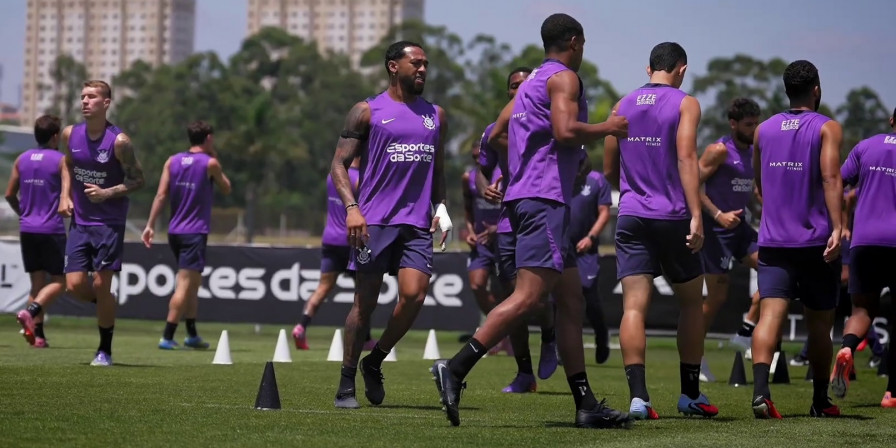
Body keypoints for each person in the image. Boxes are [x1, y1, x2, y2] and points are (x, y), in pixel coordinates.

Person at [432, 13, 631, 429]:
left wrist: (512, 169)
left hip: (531, 198)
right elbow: (563, 131)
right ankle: (454, 368)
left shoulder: (531, 83)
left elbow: (494, 133)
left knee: (571, 303)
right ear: (574, 42)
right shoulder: (563, 79)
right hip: (544, 201)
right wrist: (608, 128)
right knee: (527, 298)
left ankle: (585, 404)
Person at [329, 40, 451, 409]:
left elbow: (439, 168)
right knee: (364, 306)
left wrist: (442, 206)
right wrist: (352, 207)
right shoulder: (367, 111)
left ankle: (375, 360)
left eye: (426, 63)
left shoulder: (437, 115)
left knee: (414, 295)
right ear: (393, 66)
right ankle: (346, 382)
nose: (423, 69)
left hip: (416, 224)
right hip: (374, 222)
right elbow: (338, 165)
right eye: (416, 62)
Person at [603, 42, 718, 419]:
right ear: (681, 70)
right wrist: (696, 214)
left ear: (648, 67)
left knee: (633, 306)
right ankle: (689, 395)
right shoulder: (686, 103)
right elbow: (687, 156)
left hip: (632, 215)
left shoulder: (621, 105)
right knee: (690, 302)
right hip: (672, 216)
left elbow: (609, 167)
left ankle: (639, 398)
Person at [750, 60, 843, 419]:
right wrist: (837, 228)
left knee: (769, 316)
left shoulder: (762, 130)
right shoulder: (827, 128)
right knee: (820, 324)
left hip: (773, 242)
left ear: (786, 91)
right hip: (816, 243)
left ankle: (761, 394)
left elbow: (759, 186)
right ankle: (820, 400)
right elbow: (832, 178)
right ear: (816, 89)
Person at [478, 66, 560, 393]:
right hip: (508, 220)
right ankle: (524, 373)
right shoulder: (494, 131)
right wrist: (487, 186)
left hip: (541, 214)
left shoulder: (550, 125)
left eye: (525, 85)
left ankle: (550, 336)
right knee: (513, 297)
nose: (519, 90)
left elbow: (583, 163)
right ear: (508, 92)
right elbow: (482, 170)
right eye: (513, 86)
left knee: (535, 299)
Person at [57, 80, 145, 366]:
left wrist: (108, 192)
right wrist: (64, 195)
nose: (85, 101)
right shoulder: (71, 134)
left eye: (92, 97)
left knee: (102, 284)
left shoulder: (120, 142)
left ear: (106, 103)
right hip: (80, 221)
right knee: (73, 286)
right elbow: (67, 164)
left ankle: (104, 350)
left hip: (109, 222)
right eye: (82, 96)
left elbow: (138, 180)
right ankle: (105, 303)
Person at [141, 121, 231, 350]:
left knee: (193, 283)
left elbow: (161, 195)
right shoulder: (210, 163)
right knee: (185, 284)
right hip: (194, 233)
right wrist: (216, 158)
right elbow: (227, 188)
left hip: (175, 231)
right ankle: (168, 334)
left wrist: (150, 224)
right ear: (208, 138)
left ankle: (191, 334)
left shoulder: (172, 161)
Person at [831, 107, 896, 409]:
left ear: (892, 121)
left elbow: (836, 185)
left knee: (861, 310)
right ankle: (891, 393)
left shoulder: (866, 146)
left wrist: (838, 225)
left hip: (865, 240)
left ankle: (846, 349)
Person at [696, 98, 762, 381]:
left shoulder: (754, 152)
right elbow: (691, 186)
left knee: (778, 271)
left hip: (741, 229)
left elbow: (749, 189)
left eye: (756, 123)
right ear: (733, 124)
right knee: (717, 297)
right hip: (716, 232)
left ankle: (746, 332)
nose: (754, 129)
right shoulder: (719, 151)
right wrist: (718, 214)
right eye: (749, 125)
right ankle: (694, 356)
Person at [291, 157, 377, 351]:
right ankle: (365, 340)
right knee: (364, 290)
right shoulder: (360, 179)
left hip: (330, 238)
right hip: (352, 240)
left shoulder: (333, 176)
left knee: (322, 288)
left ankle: (301, 327)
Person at [10, 115, 67, 348]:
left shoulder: (21, 159)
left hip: (27, 229)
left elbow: (8, 194)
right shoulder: (61, 160)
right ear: (55, 137)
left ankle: (39, 336)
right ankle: (31, 313)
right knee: (60, 282)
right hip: (51, 229)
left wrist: (22, 212)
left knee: (37, 284)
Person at [567, 156, 613, 364]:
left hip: (586, 249)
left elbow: (604, 213)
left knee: (589, 295)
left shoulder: (597, 180)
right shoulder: (559, 174)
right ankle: (562, 346)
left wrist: (591, 237)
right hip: (562, 246)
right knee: (560, 298)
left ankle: (601, 336)